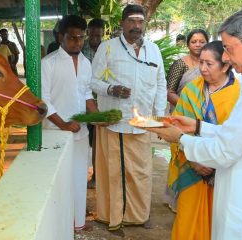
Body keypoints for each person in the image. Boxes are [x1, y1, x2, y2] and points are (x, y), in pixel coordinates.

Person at [147, 8, 242, 240]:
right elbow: (240, 134)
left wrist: (178, 137)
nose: (225, 57)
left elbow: (224, 151)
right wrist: (198, 127)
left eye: (228, 48)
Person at [91, 4, 167, 235]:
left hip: (142, 123)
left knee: (142, 172)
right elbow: (92, 82)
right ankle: (111, 216)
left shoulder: (153, 51)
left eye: (140, 21)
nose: (136, 26)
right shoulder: (107, 48)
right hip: (114, 122)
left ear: (145, 24)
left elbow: (161, 84)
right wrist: (111, 89)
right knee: (114, 173)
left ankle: (139, 215)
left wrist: (159, 118)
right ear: (122, 23)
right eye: (132, 21)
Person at [168, 41, 240, 240]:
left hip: (224, 173)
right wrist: (194, 160)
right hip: (192, 168)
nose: (203, 69)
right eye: (201, 63)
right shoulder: (191, 90)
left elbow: (237, 138)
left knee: (219, 224)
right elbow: (176, 128)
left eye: (209, 64)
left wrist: (213, 162)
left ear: (225, 65)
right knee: (187, 222)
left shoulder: (240, 94)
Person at [41, 15, 97, 231]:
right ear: (60, 37)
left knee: (79, 177)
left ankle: (78, 223)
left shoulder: (85, 63)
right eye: (72, 38)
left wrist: (97, 117)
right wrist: (63, 124)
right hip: (56, 132)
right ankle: (58, 225)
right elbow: (44, 100)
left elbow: (86, 94)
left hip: (80, 132)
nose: (78, 42)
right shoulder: (48, 63)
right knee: (58, 181)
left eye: (81, 38)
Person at [81, 18, 105, 189]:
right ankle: (81, 174)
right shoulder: (80, 49)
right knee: (82, 139)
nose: (96, 37)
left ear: (103, 33)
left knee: (97, 141)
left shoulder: (108, 49)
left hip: (102, 102)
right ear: (88, 32)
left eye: (99, 34)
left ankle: (97, 174)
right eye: (93, 33)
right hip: (82, 100)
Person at [167, 29, 209, 108]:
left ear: (207, 44)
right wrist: (188, 107)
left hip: (208, 111)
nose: (198, 45)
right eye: (193, 42)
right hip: (183, 111)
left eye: (202, 42)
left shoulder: (213, 63)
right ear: (188, 45)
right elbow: (169, 93)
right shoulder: (180, 64)